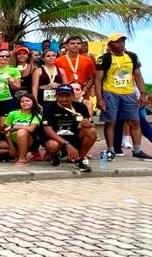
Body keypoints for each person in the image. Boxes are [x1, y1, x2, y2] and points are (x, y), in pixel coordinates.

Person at [95, 33, 151, 161]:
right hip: (111, 93)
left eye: (122, 41)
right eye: (117, 42)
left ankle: (137, 150)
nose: (121, 44)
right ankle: (111, 150)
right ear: (109, 44)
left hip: (129, 93)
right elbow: (98, 80)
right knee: (111, 122)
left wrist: (143, 94)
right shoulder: (104, 58)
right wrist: (100, 98)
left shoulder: (132, 56)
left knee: (135, 121)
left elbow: (138, 75)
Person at [43, 84, 95, 171]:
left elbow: (92, 124)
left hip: (75, 137)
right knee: (52, 145)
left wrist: (87, 124)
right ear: (55, 96)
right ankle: (55, 155)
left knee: (91, 131)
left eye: (67, 96)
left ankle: (79, 159)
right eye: (61, 96)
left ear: (73, 96)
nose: (64, 99)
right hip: (57, 139)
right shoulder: (49, 108)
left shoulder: (81, 107)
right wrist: (67, 144)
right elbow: (48, 130)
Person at [56, 36, 96, 112]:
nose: (76, 45)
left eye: (78, 43)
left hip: (82, 93)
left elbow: (91, 78)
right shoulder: (58, 61)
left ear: (81, 45)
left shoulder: (88, 60)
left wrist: (85, 89)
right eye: (72, 43)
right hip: (65, 93)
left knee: (85, 117)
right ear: (67, 46)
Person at [1, 94, 43, 166]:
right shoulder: (12, 113)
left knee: (21, 132)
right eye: (22, 101)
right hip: (13, 141)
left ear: (33, 102)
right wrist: (11, 147)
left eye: (28, 101)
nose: (25, 103)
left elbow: (31, 129)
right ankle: (19, 153)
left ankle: (22, 159)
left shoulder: (36, 115)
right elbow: (6, 131)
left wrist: (15, 127)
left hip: (29, 140)